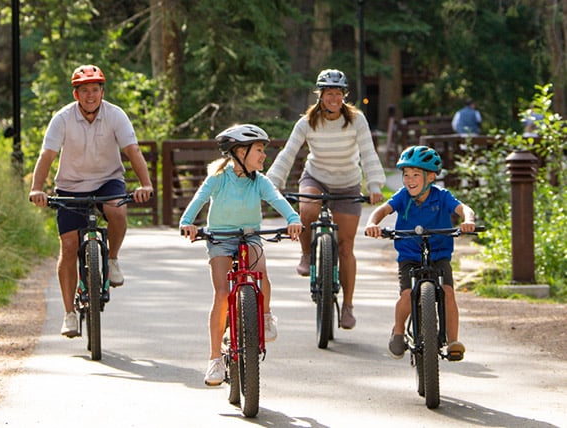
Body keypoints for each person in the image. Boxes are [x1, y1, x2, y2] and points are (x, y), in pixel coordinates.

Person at [29, 65, 154, 338]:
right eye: (84, 91)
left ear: (102, 92)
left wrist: (145, 184)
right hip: (70, 186)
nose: (90, 96)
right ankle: (69, 314)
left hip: (108, 179)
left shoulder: (115, 115)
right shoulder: (62, 118)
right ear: (76, 94)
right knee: (69, 244)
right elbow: (47, 156)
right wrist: (37, 188)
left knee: (116, 210)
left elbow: (132, 151)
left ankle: (113, 258)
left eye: (95, 90)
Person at [179, 124, 302, 387]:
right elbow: (199, 199)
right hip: (220, 239)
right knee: (222, 293)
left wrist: (293, 218)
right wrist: (188, 221)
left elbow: (277, 199)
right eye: (259, 150)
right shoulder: (219, 177)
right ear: (240, 152)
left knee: (262, 275)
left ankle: (266, 316)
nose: (263, 155)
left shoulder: (260, 181)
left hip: (249, 235)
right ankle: (214, 358)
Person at [266, 68, 385, 330]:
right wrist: (273, 183)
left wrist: (374, 184)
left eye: (338, 93)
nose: (333, 98)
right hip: (316, 177)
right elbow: (288, 153)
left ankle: (348, 307)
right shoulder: (307, 122)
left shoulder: (356, 120)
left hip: (347, 183)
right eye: (329, 93)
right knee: (307, 207)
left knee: (346, 246)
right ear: (320, 95)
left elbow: (368, 152)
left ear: (344, 96)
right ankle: (307, 254)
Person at [364, 145, 476, 361]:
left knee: (448, 292)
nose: (410, 180)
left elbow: (464, 209)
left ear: (431, 177)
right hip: (409, 254)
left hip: (439, 254)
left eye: (416, 175)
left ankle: (453, 341)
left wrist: (468, 220)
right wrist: (372, 223)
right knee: (407, 295)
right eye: (406, 175)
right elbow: (382, 210)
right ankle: (398, 332)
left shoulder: (442, 196)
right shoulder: (402, 196)